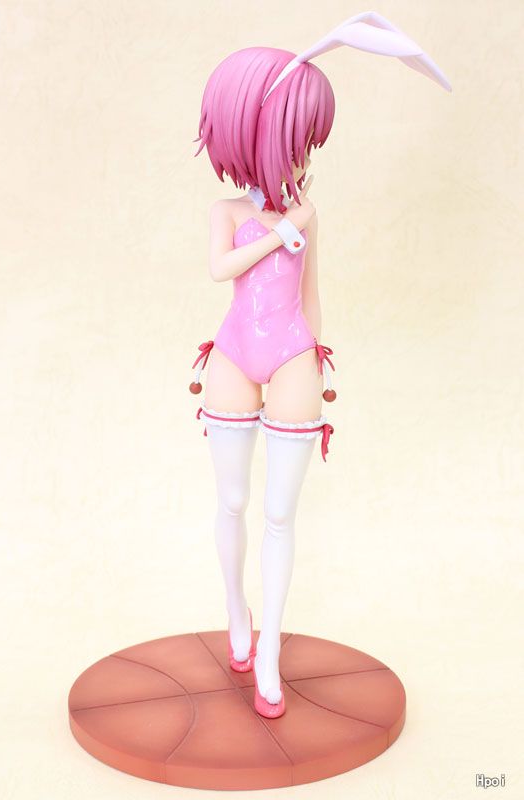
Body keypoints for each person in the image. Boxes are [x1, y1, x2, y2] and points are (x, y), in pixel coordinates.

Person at [189, 12, 451, 718]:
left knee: (279, 512)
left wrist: (314, 353)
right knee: (232, 501)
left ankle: (269, 650)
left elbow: (312, 297)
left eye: (309, 142)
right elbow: (220, 269)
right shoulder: (229, 211)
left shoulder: (309, 215)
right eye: (298, 139)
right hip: (234, 351)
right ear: (256, 137)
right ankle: (236, 613)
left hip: (293, 353)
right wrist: (282, 230)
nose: (305, 155)